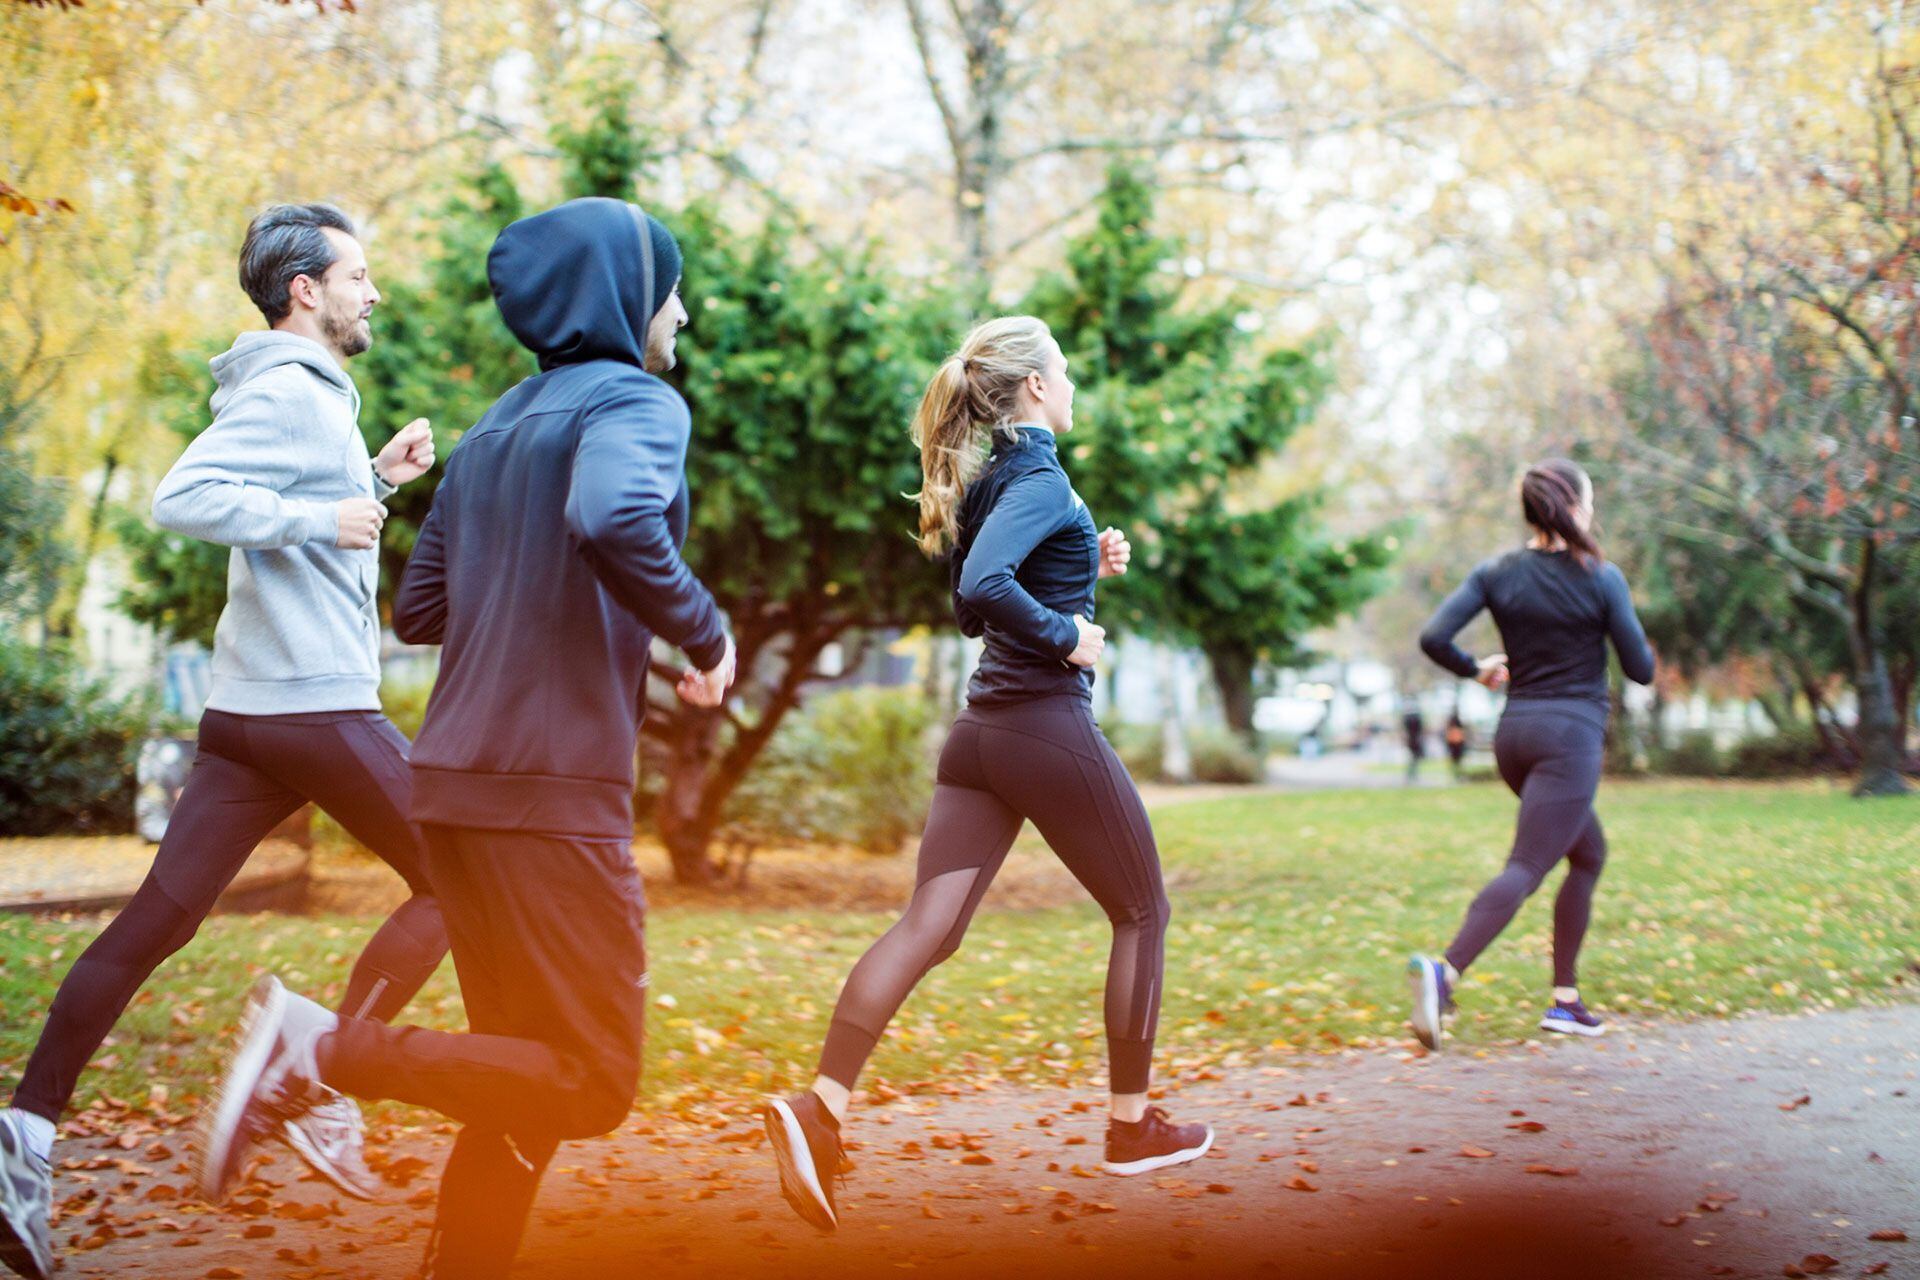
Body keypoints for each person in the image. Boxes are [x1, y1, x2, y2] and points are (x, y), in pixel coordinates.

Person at [192, 198, 734, 1280]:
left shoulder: (495, 427)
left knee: (519, 1084)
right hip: (548, 794)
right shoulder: (637, 399)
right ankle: (317, 1047)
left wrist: (578, 613)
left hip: (455, 787)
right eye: (668, 285)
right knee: (592, 1081)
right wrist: (704, 631)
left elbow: (424, 606)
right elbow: (616, 519)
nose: (679, 309)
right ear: (625, 295)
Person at [0, 203, 448, 1280]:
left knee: (160, 914)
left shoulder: (298, 395)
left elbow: (293, 501)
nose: (373, 291)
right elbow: (184, 495)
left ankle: (22, 1137)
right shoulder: (295, 390)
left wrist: (372, 484)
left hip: (248, 711)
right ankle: (318, 1072)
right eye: (359, 273)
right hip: (316, 705)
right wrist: (320, 517)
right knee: (464, 879)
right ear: (307, 290)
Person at [762, 316, 1212, 1234]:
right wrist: (1069, 635)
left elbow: (985, 591)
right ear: (1037, 388)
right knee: (1142, 912)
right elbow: (982, 595)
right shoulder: (1038, 476)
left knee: (931, 928)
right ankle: (1132, 1128)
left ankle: (820, 1111)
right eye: (1065, 369)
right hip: (1039, 727)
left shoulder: (999, 476)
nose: (1074, 380)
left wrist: (1084, 566)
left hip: (982, 739)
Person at [1407, 458, 1655, 1050]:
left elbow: (1433, 638)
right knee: (1527, 866)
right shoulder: (1601, 576)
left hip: (1514, 739)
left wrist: (1478, 670)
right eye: (1588, 502)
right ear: (1574, 506)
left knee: (1588, 853)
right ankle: (1444, 973)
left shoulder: (1496, 572)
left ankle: (1565, 1000)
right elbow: (1641, 670)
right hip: (1569, 742)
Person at [1402, 705, 1427, 783]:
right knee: (1414, 758)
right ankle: (1411, 773)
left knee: (1413, 758)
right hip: (1415, 741)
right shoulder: (1415, 720)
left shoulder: (1408, 720)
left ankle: (1411, 773)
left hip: (1413, 741)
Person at [1444, 711, 1469, 781]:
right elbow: (1462, 741)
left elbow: (1449, 742)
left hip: (1455, 748)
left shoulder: (1451, 730)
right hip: (1457, 748)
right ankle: (1457, 775)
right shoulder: (1458, 730)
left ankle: (1456, 775)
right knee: (1458, 763)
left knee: (1455, 763)